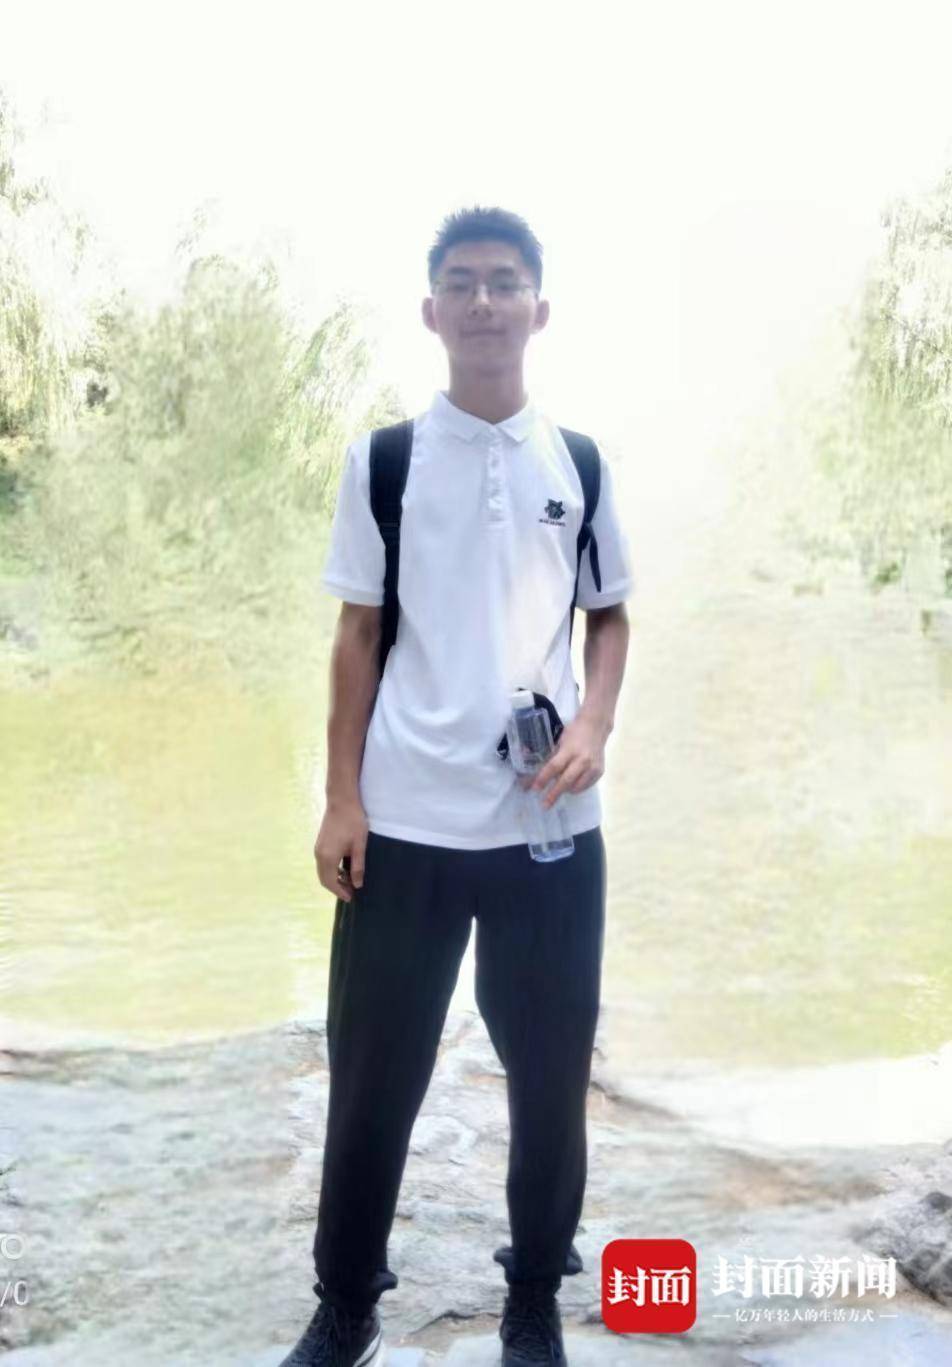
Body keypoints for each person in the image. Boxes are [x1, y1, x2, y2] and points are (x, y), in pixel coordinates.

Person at [279, 206, 633, 1367]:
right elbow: (357, 634)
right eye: (464, 282)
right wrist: (341, 797)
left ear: (540, 308)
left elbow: (609, 614)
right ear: (431, 309)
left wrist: (593, 720)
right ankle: (347, 1304)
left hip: (548, 825)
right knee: (371, 1078)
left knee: (550, 1078)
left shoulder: (577, 462)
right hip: (406, 818)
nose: (485, 301)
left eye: (506, 281)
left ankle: (532, 1299)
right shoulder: (385, 460)